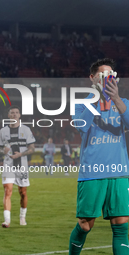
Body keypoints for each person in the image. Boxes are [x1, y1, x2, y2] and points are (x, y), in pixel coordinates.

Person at [69, 58, 129, 254]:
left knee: (121, 225)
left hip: (118, 173)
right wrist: (96, 97)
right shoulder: (80, 104)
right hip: (92, 173)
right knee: (85, 225)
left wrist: (116, 99)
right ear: (92, 78)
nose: (107, 79)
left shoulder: (123, 103)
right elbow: (82, 126)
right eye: (103, 75)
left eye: (110, 75)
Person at [0, 106, 35, 228]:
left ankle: (22, 217)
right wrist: (3, 150)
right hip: (8, 165)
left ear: (19, 115)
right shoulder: (3, 131)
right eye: (12, 113)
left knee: (23, 192)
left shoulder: (26, 129)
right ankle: (7, 220)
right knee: (7, 191)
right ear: (8, 116)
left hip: (22, 166)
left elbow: (32, 148)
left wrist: (21, 154)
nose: (14, 114)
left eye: (16, 113)